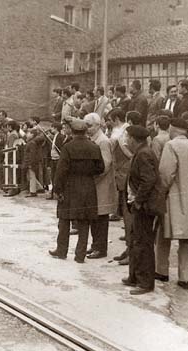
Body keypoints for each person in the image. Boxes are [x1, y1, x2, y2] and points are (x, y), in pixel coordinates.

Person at [156, 118, 188, 289]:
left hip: (173, 198)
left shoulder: (171, 146)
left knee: (163, 235)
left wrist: (160, 194)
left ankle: (162, 271)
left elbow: (165, 174)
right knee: (185, 240)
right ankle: (184, 277)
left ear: (173, 129)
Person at [49, 118, 105, 263]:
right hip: (88, 186)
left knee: (64, 219)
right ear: (85, 131)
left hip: (69, 186)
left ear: (73, 132)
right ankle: (80, 255)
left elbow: (61, 170)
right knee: (84, 221)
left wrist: (57, 188)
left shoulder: (68, 147)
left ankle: (61, 250)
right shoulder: (94, 147)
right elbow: (101, 168)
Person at [122, 125, 163, 295]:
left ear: (133, 139)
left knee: (143, 243)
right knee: (135, 241)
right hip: (140, 205)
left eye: (127, 138)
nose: (126, 141)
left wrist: (138, 201)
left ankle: (145, 283)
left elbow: (149, 180)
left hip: (146, 207)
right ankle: (134, 276)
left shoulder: (144, 153)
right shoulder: (141, 152)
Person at [84, 113, 118, 259]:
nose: (87, 128)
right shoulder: (93, 139)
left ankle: (100, 248)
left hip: (101, 185)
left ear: (98, 125)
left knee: (101, 218)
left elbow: (105, 165)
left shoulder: (103, 141)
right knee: (94, 217)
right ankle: (95, 245)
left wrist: (91, 178)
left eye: (89, 125)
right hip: (95, 184)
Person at [108, 108, 133, 263]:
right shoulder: (119, 131)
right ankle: (128, 247)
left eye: (110, 119)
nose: (108, 123)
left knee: (128, 212)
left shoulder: (121, 132)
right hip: (121, 175)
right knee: (125, 212)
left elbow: (128, 154)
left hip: (124, 175)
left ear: (116, 118)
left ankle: (131, 251)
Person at [24, 128, 43, 197]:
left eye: (28, 133)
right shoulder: (32, 142)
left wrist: (30, 163)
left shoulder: (31, 143)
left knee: (31, 176)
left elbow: (32, 154)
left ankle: (33, 191)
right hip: (31, 162)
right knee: (30, 176)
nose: (26, 134)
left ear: (32, 135)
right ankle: (39, 187)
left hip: (30, 162)